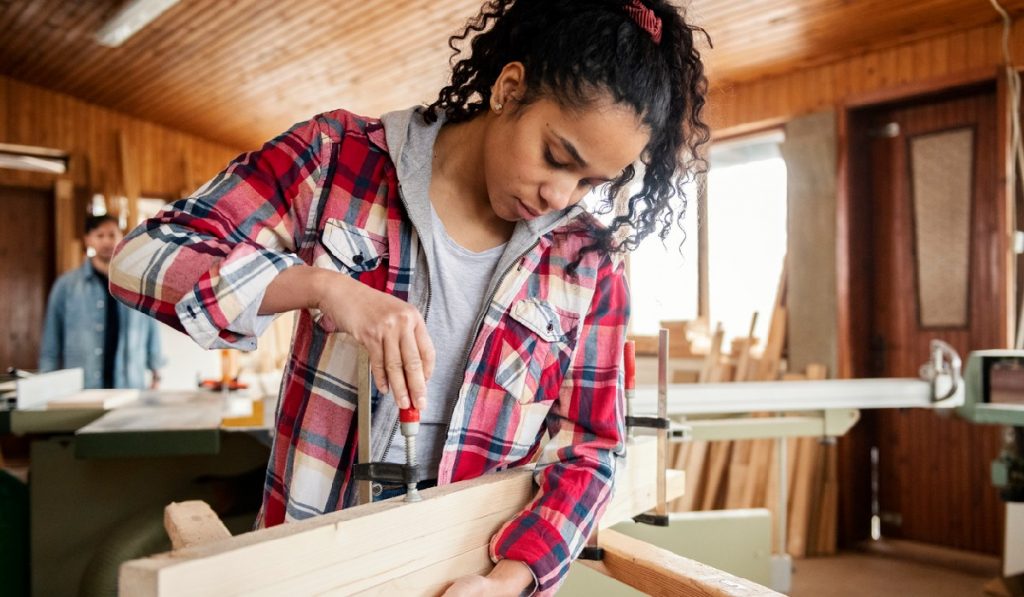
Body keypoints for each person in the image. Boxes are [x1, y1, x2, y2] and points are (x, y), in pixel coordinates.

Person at [109, 0, 709, 593]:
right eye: (557, 156)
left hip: (465, 572)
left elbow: (592, 448)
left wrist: (506, 583)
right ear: (509, 88)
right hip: (312, 558)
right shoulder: (335, 160)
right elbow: (143, 258)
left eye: (588, 183)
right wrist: (320, 285)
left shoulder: (589, 266)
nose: (559, 194)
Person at [40, 214, 164, 389]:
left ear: (122, 238)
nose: (106, 242)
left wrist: (156, 373)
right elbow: (51, 341)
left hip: (129, 386)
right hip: (82, 389)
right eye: (100, 235)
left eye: (112, 235)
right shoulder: (66, 286)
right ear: (88, 240)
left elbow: (151, 330)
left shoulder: (137, 285)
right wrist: (47, 383)